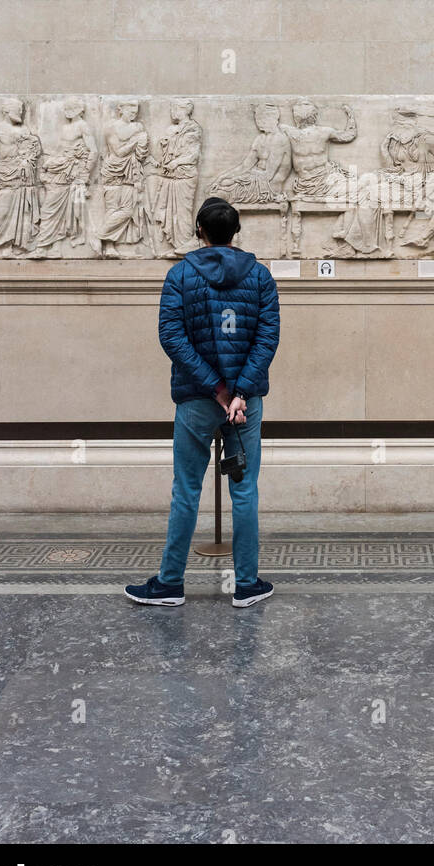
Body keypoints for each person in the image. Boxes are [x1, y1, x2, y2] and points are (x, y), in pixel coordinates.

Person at [125, 196, 280, 609]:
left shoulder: (180, 275)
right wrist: (240, 391)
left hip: (198, 398)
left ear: (199, 231)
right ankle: (246, 585)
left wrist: (216, 388)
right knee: (244, 492)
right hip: (244, 404)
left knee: (186, 491)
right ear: (237, 231)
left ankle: (170, 583)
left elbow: (172, 337)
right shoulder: (261, 277)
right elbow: (267, 339)